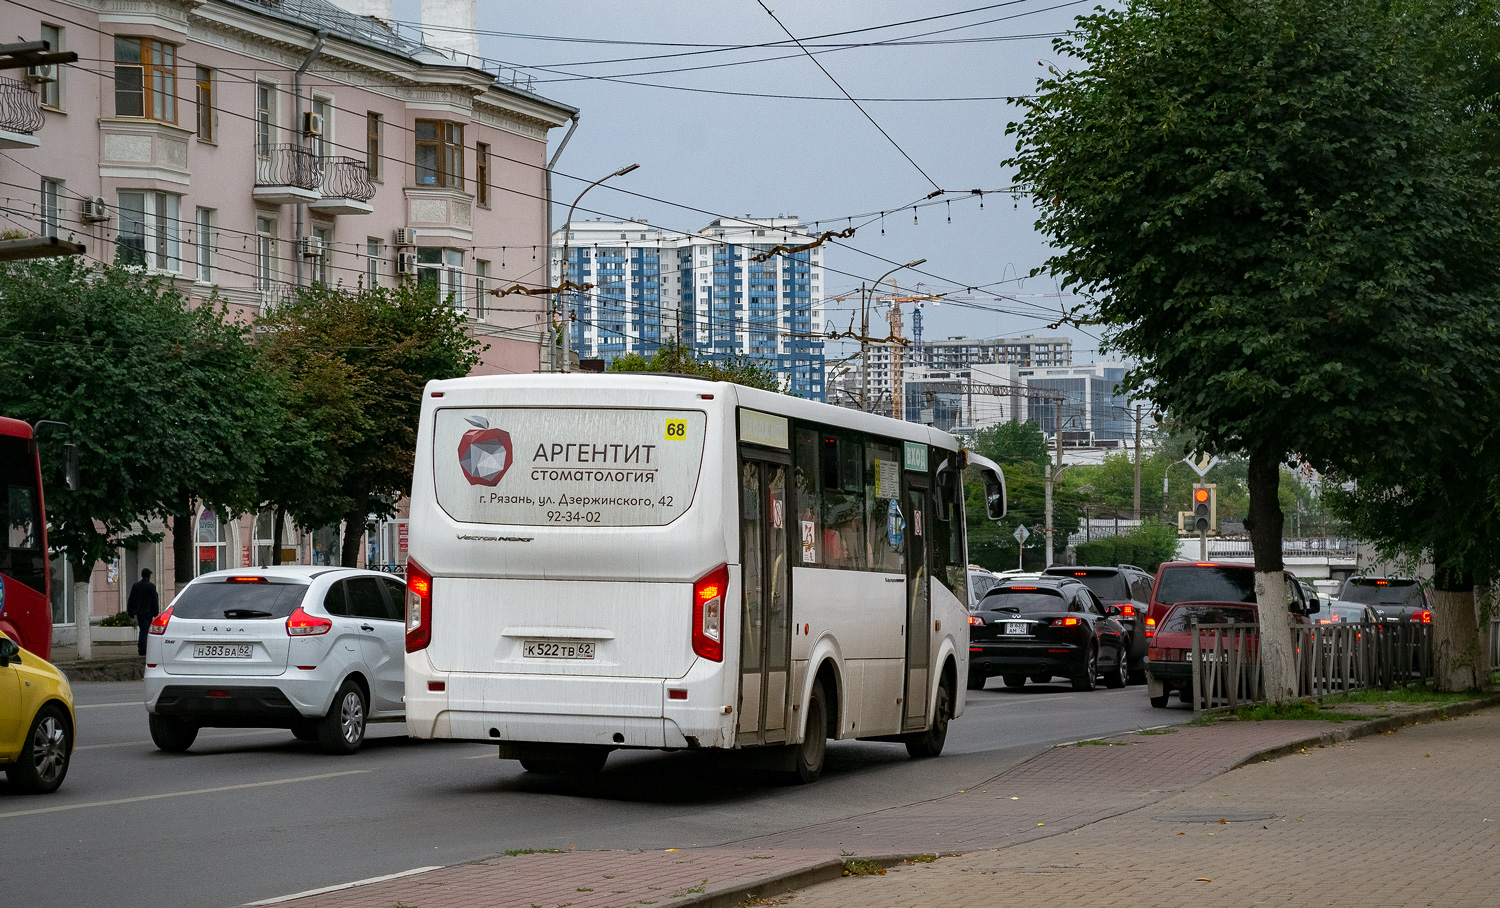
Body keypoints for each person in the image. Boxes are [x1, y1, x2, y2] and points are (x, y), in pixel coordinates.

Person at [127, 568, 159, 656]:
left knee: (142, 630)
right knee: (145, 630)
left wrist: (130, 611)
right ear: (148, 576)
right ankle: (144, 648)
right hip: (148, 613)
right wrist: (156, 611)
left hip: (139, 613)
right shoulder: (151, 587)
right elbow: (154, 600)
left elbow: (131, 599)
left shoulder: (136, 586)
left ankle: (141, 647)